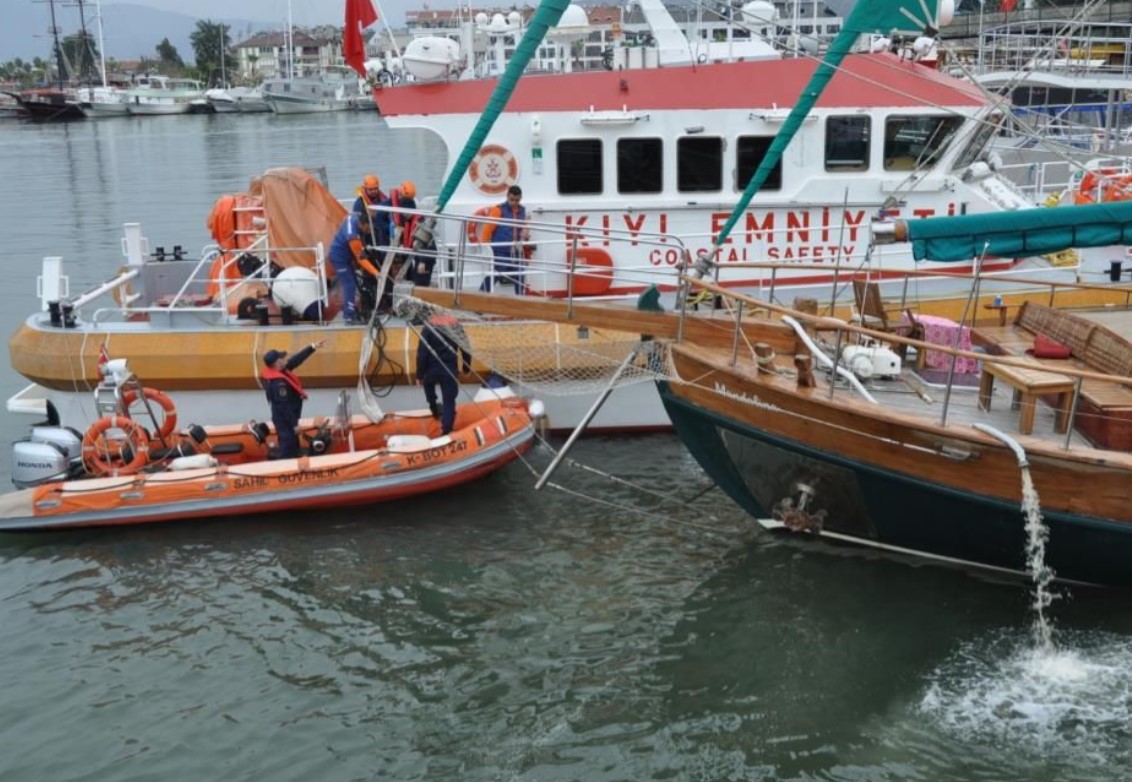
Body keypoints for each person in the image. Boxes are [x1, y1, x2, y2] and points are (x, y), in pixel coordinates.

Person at [262, 340, 326, 459]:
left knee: (294, 446)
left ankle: (295, 463)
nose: (284, 358)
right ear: (277, 362)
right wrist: (294, 424)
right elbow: (283, 406)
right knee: (287, 448)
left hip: (287, 418)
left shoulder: (279, 371)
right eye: (281, 357)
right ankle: (283, 471)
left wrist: (312, 347)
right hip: (285, 421)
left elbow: (295, 360)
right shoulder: (278, 384)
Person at [415, 313, 472, 435]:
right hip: (449, 370)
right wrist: (466, 369)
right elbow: (465, 348)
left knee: (428, 385)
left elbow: (422, 353)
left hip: (430, 370)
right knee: (449, 401)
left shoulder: (428, 327)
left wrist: (419, 375)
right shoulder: (456, 326)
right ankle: (446, 429)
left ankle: (433, 407)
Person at [327, 206, 380, 324]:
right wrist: (376, 273)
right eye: (368, 228)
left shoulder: (355, 217)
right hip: (339, 258)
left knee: (353, 282)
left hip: (345, 256)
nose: (369, 231)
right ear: (363, 224)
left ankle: (348, 308)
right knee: (349, 285)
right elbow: (361, 259)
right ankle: (349, 316)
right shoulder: (353, 236)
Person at [479, 184, 530, 294]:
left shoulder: (522, 211)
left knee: (520, 273)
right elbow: (487, 229)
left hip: (515, 250)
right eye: (512, 200)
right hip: (500, 249)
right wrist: (485, 248)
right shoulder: (498, 210)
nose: (514, 203)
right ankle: (481, 293)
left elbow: (523, 228)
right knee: (499, 270)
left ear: (520, 198)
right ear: (507, 197)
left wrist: (525, 234)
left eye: (517, 200)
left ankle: (520, 299)